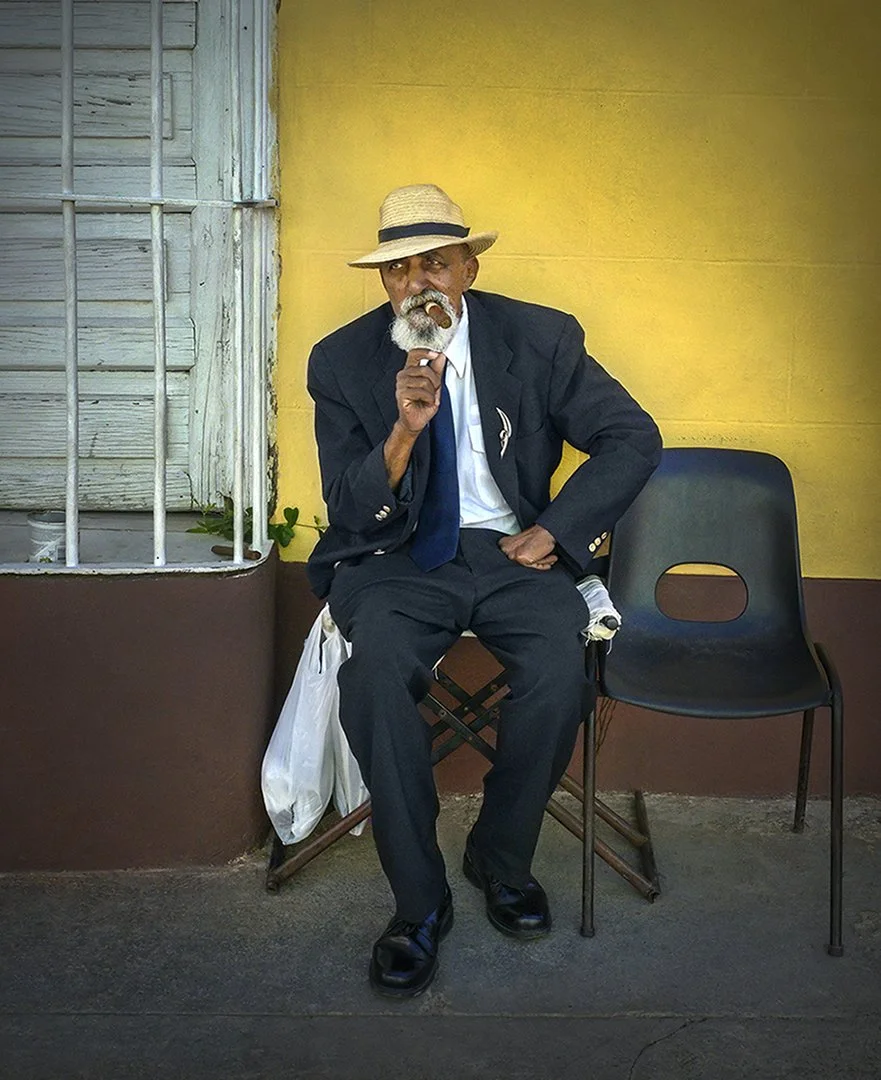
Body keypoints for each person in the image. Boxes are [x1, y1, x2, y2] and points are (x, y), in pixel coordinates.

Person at [306, 184, 661, 997]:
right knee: (372, 679)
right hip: (396, 556)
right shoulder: (343, 359)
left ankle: (500, 859)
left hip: (512, 552)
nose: (417, 282)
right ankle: (418, 903)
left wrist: (558, 530)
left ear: (468, 266)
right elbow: (350, 507)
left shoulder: (538, 338)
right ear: (385, 283)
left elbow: (630, 437)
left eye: (435, 261)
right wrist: (403, 430)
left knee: (557, 673)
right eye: (399, 270)